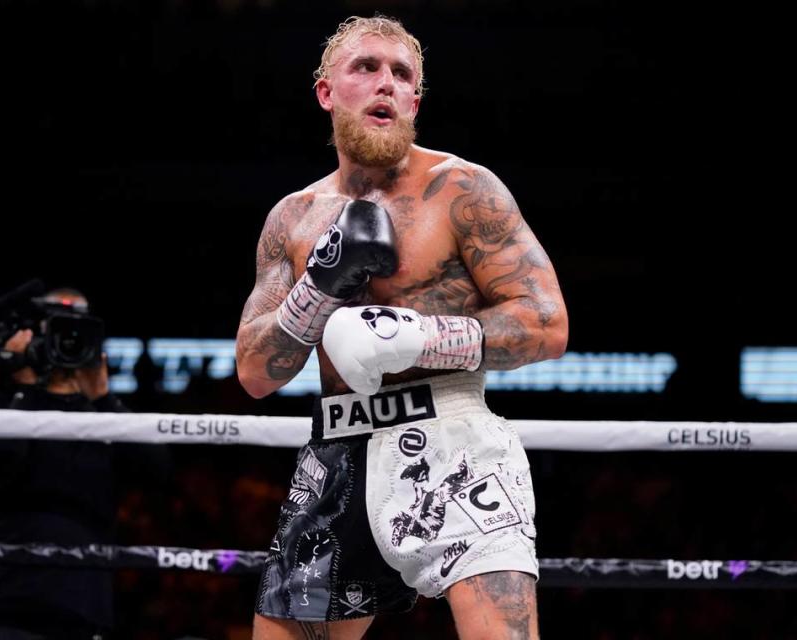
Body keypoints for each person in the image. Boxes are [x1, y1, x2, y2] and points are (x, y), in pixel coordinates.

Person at [236, 15, 568, 640]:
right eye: (366, 68)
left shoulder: (462, 190)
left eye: (402, 74)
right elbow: (253, 373)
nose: (386, 83)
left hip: (452, 442)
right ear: (326, 92)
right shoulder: (294, 219)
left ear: (416, 100)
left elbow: (547, 324)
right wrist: (318, 289)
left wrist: (416, 336)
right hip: (336, 448)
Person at [0, 289, 129, 640]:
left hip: (79, 602)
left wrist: (105, 399)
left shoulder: (103, 416)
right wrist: (25, 387)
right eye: (58, 330)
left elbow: (157, 471)